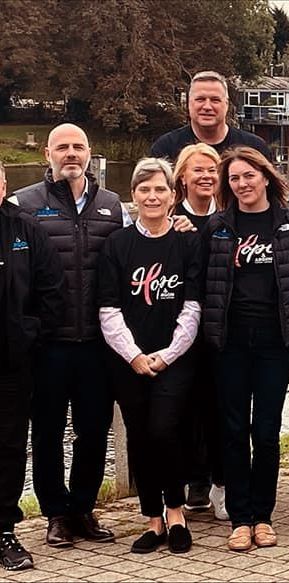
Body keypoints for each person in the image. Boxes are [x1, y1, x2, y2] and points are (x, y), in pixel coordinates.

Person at [11, 123, 128, 548]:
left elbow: (137, 250)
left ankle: (82, 508)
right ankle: (55, 514)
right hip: (47, 345)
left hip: (97, 344)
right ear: (48, 154)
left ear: (89, 152)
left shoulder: (113, 206)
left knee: (94, 430)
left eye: (78, 146)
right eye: (63, 147)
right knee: (45, 432)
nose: (71, 154)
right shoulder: (22, 205)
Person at [202, 147, 289, 552]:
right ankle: (240, 516)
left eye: (249, 176)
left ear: (266, 177)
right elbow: (204, 282)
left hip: (273, 342)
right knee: (232, 429)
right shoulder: (217, 227)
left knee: (266, 431)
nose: (242, 184)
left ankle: (264, 515)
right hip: (229, 342)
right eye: (234, 178)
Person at [98, 158, 202, 554]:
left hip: (175, 358)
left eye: (160, 189)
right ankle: (152, 520)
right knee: (140, 436)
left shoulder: (187, 242)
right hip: (128, 360)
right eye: (144, 189)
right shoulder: (118, 245)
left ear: (173, 195)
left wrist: (168, 355)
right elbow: (108, 309)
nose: (152, 196)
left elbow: (193, 305)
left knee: (164, 430)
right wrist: (134, 355)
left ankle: (176, 511)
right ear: (134, 196)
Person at [0, 160, 65, 571]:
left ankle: (4, 530)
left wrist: (29, 334)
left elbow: (51, 290)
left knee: (7, 446)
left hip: (12, 360)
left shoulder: (24, 229)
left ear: (4, 183)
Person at [171, 144, 227, 519]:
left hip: (223, 329)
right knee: (185, 407)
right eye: (197, 170)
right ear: (182, 178)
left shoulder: (231, 217)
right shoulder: (171, 218)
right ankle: (193, 480)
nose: (206, 176)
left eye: (212, 169)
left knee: (221, 406)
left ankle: (223, 480)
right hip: (181, 329)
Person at [150, 71, 273, 163]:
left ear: (226, 105)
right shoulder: (165, 149)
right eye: (200, 99)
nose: (207, 106)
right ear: (188, 103)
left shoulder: (255, 148)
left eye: (215, 100)